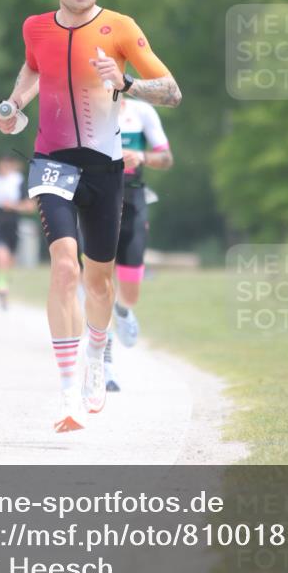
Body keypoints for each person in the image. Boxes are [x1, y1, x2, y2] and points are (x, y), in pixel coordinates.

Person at [0, 0, 181, 432]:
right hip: (52, 162)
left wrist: (127, 83)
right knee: (64, 268)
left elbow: (172, 92)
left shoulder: (121, 27)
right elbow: (34, 67)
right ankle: (67, 395)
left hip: (105, 169)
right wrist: (14, 104)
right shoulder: (35, 27)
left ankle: (96, 358)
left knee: (99, 283)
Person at [104, 97, 174, 392]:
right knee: (99, 284)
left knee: (130, 290)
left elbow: (166, 159)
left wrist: (141, 157)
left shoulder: (142, 111)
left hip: (133, 199)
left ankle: (122, 311)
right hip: (98, 200)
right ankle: (105, 363)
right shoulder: (84, 109)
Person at [0, 156, 35, 309]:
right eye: (0, 166)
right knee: (1, 258)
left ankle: (3, 282)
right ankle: (2, 289)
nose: (2, 169)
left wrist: (13, 206)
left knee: (9, 262)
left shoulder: (18, 181)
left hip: (14, 226)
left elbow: (30, 206)